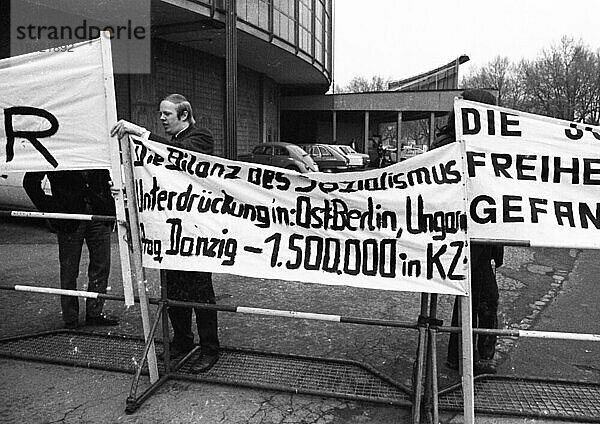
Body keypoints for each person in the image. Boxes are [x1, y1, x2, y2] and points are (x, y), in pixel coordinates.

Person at [110, 93, 219, 372]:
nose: (161, 118)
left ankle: (209, 348)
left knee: (199, 292)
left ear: (184, 115)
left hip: (194, 234)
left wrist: (141, 133)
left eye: (166, 114)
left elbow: (181, 157)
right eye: (160, 114)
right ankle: (182, 340)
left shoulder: (200, 137)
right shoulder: (166, 144)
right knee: (172, 292)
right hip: (170, 234)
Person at [431, 88, 504, 375]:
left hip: (476, 235)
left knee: (473, 296)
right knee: (481, 297)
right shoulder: (451, 146)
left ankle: (462, 356)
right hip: (465, 234)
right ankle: (474, 358)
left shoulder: (481, 146)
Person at [23, 170, 118, 329]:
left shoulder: (95, 147)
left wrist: (108, 203)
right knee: (69, 269)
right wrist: (51, 208)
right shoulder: (59, 148)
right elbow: (30, 182)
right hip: (69, 217)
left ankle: (94, 313)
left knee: (101, 266)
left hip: (99, 214)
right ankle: (70, 316)